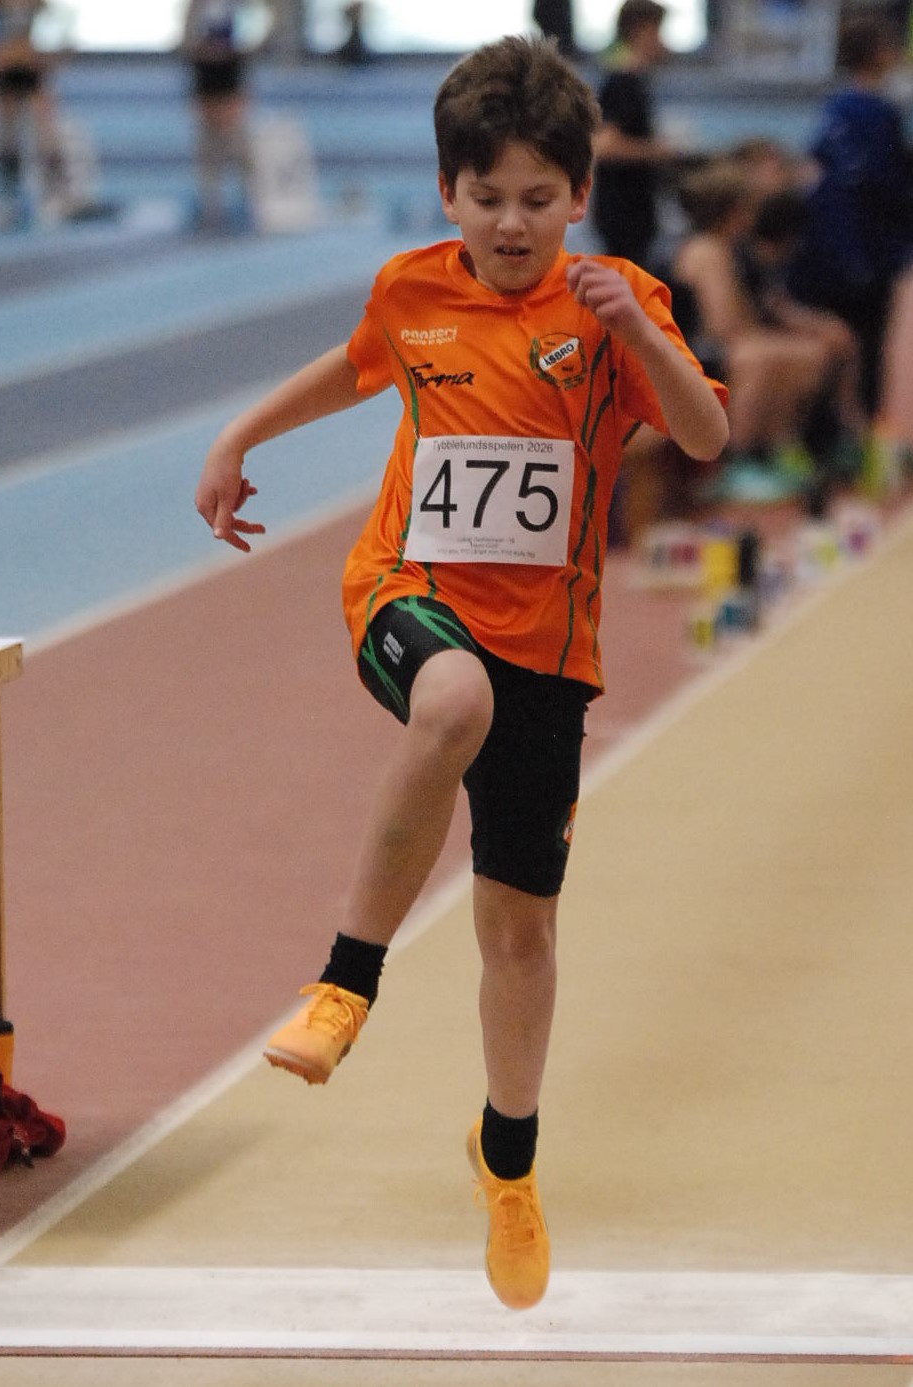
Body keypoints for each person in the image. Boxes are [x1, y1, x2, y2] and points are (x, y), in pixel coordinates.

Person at [195, 35, 728, 1312]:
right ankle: (345, 983)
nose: (510, 224)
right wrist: (238, 436)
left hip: (549, 643)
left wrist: (639, 341)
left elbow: (705, 432)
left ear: (581, 194)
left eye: (538, 199)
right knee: (452, 697)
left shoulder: (616, 303)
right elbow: (356, 365)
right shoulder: (413, 289)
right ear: (448, 191)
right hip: (408, 592)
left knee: (519, 933)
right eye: (486, 198)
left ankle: (509, 1159)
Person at [673, 159, 862, 499]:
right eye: (747, 207)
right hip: (693, 347)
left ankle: (773, 450)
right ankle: (735, 461)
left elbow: (769, 304)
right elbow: (722, 327)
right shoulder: (705, 251)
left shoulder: (736, 250)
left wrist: (807, 328)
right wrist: (769, 334)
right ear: (733, 210)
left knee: (807, 354)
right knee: (759, 356)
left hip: (733, 341)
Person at [787, 15, 913, 417]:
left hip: (836, 243)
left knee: (853, 340)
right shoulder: (876, 111)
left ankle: (848, 425)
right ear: (879, 53)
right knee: (867, 342)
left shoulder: (837, 107)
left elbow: (818, 166)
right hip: (865, 247)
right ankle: (863, 427)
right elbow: (883, 181)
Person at [590, 0, 676, 270]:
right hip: (624, 210)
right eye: (659, 31)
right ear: (642, 31)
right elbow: (605, 146)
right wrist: (658, 151)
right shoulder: (624, 82)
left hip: (629, 209)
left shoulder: (630, 80)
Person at [181, 0, 274, 230]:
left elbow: (262, 27)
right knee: (208, 162)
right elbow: (187, 42)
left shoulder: (242, 10)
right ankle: (211, 210)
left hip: (232, 98)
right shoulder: (197, 10)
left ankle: (249, 206)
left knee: (243, 158)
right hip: (208, 97)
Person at [0, 0, 66, 229]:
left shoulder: (35, 3)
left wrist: (53, 57)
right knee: (7, 139)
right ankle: (8, 200)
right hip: (6, 71)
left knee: (46, 134)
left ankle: (53, 196)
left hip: (31, 70)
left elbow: (61, 24)